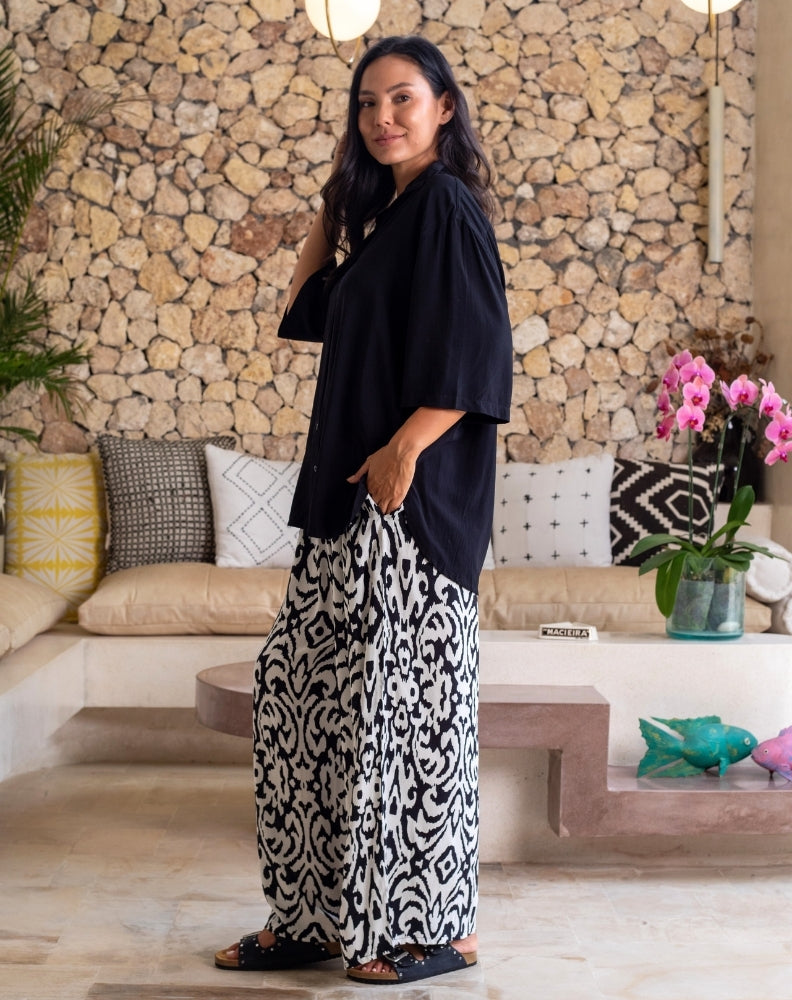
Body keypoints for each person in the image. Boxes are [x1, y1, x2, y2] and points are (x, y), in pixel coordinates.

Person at [215, 34, 513, 986]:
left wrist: (404, 447)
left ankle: (440, 929)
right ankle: (309, 918)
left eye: (402, 98)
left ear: (444, 107)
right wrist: (336, 202)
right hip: (345, 511)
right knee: (306, 702)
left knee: (406, 722)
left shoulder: (447, 207)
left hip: (408, 511)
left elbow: (480, 353)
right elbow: (306, 304)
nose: (383, 116)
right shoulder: (388, 221)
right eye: (367, 103)